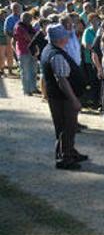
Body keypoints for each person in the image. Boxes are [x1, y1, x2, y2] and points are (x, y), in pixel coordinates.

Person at [42, 24, 87, 170]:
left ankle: (70, 152)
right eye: (66, 35)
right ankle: (65, 158)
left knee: (68, 126)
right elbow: (62, 80)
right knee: (66, 127)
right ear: (61, 38)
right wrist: (73, 99)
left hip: (59, 97)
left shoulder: (50, 49)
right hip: (63, 98)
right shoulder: (57, 55)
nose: (68, 37)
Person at [13, 12, 38, 95]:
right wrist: (33, 37)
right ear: (23, 18)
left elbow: (35, 36)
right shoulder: (19, 27)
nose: (30, 20)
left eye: (30, 18)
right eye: (28, 18)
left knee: (33, 71)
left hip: (32, 51)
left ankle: (33, 88)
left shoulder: (29, 26)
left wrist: (34, 37)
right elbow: (29, 38)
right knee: (25, 71)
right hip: (23, 51)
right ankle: (26, 90)